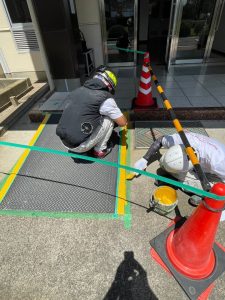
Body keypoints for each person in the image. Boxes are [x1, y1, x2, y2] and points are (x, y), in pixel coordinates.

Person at [134, 132, 225, 205]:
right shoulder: (181, 140)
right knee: (164, 164)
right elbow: (161, 140)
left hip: (217, 175)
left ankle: (204, 195)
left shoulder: (218, 163)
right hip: (202, 166)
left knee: (216, 191)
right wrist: (144, 159)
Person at [56, 66, 127, 158]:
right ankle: (100, 150)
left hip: (64, 141)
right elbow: (122, 122)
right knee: (109, 120)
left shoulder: (77, 90)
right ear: (110, 85)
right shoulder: (105, 98)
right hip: (79, 146)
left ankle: (87, 140)